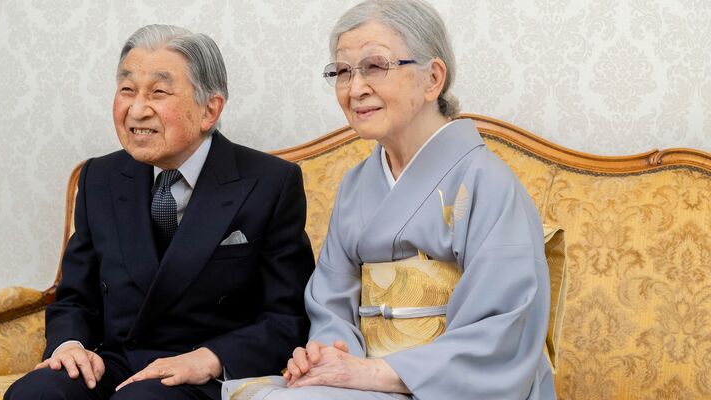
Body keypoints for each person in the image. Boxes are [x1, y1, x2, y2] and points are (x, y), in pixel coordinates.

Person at [222, 1, 555, 399]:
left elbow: (502, 328)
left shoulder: (488, 183)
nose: (355, 87)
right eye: (342, 71)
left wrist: (375, 374)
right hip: (366, 382)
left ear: (432, 78)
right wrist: (332, 356)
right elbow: (330, 303)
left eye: (375, 66)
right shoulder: (355, 186)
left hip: (449, 385)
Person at [5, 24, 316, 400]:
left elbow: (286, 317)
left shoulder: (269, 182)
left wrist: (209, 359)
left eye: (158, 92)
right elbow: (76, 298)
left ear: (209, 109)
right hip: (115, 362)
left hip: (203, 374)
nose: (137, 109)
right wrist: (70, 345)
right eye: (127, 90)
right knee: (37, 393)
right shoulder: (100, 177)